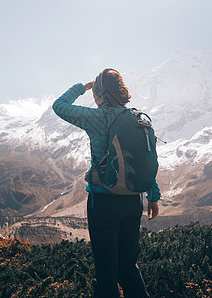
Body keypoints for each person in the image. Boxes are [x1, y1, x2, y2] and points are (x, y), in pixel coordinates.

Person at [52, 68, 161, 298]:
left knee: (106, 273)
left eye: (96, 91)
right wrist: (153, 196)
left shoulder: (96, 117)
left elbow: (59, 106)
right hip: (133, 201)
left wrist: (82, 87)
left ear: (100, 92)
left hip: (103, 203)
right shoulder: (138, 118)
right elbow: (147, 159)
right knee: (128, 268)